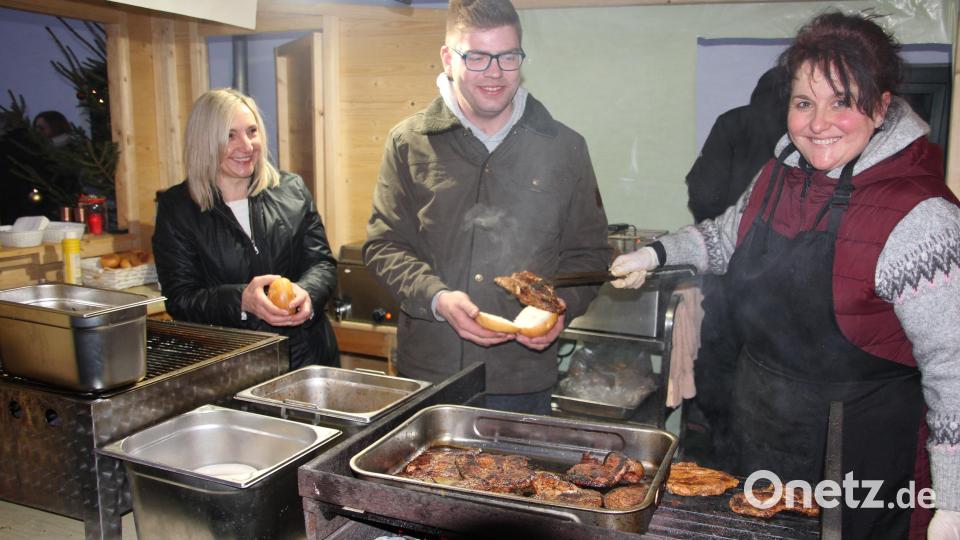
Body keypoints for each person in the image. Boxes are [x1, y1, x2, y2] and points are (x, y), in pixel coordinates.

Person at [610, 12, 959, 539]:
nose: (818, 123)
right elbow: (720, 239)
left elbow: (953, 372)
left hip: (860, 453)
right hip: (762, 425)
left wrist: (951, 503)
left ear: (882, 105)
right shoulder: (778, 174)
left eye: (842, 101)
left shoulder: (923, 217)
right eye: (804, 103)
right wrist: (654, 255)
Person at [363, 0, 611, 415]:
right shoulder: (409, 143)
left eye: (508, 57)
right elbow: (384, 246)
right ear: (448, 57)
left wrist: (557, 310)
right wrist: (437, 298)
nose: (494, 73)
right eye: (477, 57)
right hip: (429, 374)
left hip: (522, 379)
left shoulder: (565, 148)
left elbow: (590, 255)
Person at [153, 88, 338, 370]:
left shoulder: (292, 190)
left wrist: (307, 293)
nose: (247, 145)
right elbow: (181, 299)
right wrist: (242, 301)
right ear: (205, 142)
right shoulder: (178, 209)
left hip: (307, 359)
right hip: (232, 368)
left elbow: (322, 263)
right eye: (230, 135)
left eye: (252, 131)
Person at [683, 66, 789, 469]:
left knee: (719, 368)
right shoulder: (805, 132)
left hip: (725, 275)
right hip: (781, 285)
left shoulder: (733, 123)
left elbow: (702, 191)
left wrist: (725, 233)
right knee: (771, 380)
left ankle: (719, 458)